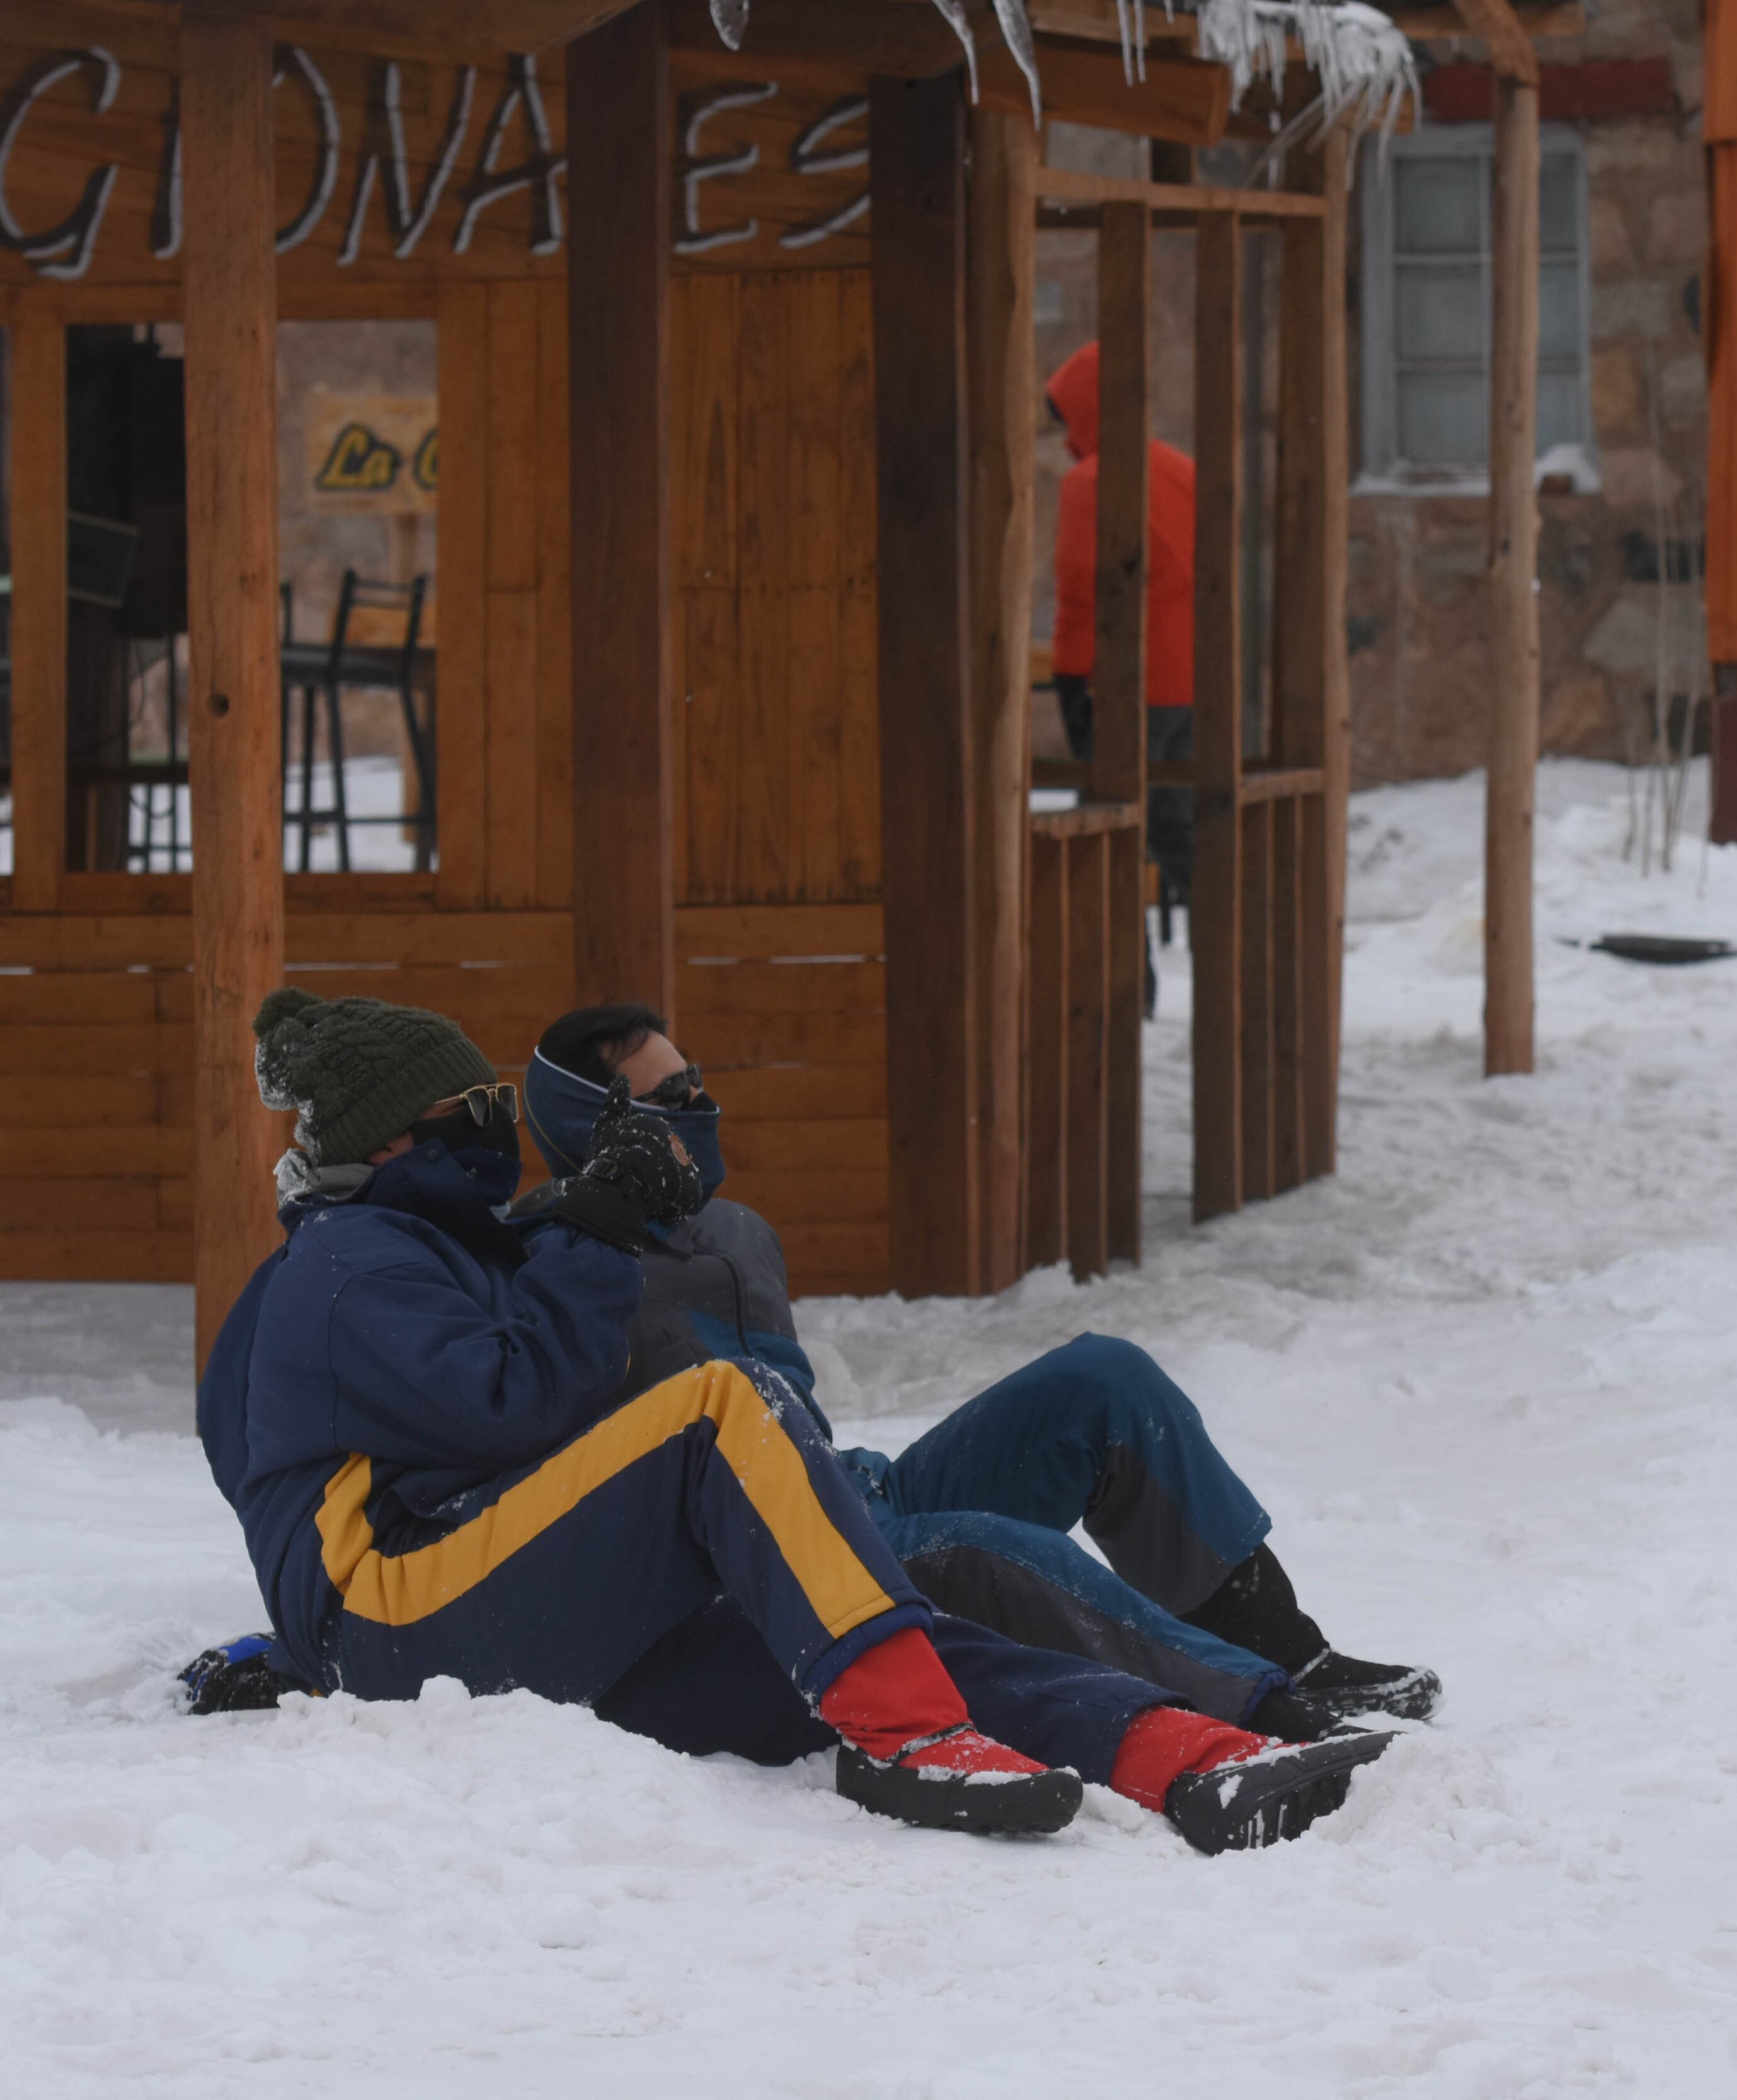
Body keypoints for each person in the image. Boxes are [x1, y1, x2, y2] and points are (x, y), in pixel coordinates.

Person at [193, 990, 1391, 1852]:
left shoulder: (509, 1245)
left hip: (574, 1601)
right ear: (392, 1138)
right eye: (477, 1106)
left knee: (885, 1634)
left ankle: (1184, 1758)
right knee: (742, 1420)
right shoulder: (350, 1261)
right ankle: (922, 1736)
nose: (491, 1126)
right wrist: (298, 1637)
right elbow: (517, 1409)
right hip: (406, 1608)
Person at [499, 1002, 1440, 1741]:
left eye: (696, 1081)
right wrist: (590, 1227)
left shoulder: (739, 1233)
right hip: (774, 1567)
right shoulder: (548, 1265)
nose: (699, 1107)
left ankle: (1284, 1649)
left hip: (852, 1494)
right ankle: (1250, 1705)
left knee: (1105, 1380)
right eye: (669, 1098)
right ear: (602, 1125)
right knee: (989, 1546)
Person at [1045, 340, 1198, 923]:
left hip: (1127, 684)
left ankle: (1119, 987)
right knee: (1181, 831)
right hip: (1190, 683)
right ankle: (1231, 967)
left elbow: (1081, 594)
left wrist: (1069, 682)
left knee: (1106, 839)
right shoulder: (1184, 471)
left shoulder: (1088, 484)